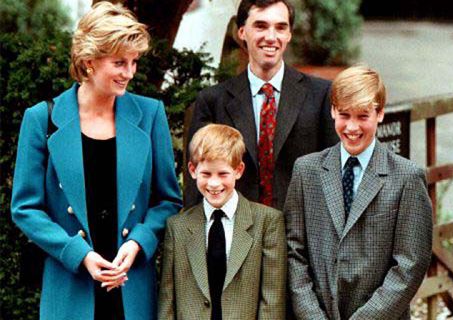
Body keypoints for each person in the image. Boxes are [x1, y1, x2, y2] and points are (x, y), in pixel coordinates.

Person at [11, 2, 182, 319]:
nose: (129, 73)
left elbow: (168, 200)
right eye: (119, 63)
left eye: (133, 62)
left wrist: (139, 244)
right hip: (70, 286)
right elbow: (25, 207)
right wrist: (78, 253)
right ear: (89, 61)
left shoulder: (150, 114)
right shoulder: (41, 119)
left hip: (132, 288)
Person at [285, 65, 433, 319]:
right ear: (332, 111)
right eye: (344, 115)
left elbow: (410, 264)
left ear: (380, 113)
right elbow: (294, 250)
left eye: (363, 116)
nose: (352, 127)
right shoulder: (306, 171)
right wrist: (311, 315)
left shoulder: (407, 177)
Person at [185, 0, 338, 210]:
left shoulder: (321, 95)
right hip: (236, 235)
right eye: (261, 26)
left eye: (281, 27)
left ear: (289, 35)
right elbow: (196, 186)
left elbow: (334, 176)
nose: (271, 37)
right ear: (241, 32)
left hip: (301, 235)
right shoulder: (213, 101)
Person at [158, 124, 286, 319]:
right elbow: (167, 300)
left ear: (238, 170)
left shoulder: (267, 222)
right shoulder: (177, 227)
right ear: (192, 170)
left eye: (223, 174)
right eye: (206, 174)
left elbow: (272, 300)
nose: (214, 183)